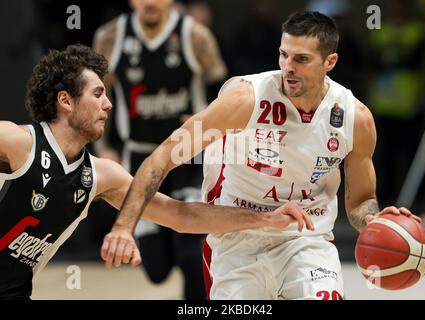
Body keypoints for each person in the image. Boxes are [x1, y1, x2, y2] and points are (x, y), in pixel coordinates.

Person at [104, 11, 422, 300]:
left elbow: (361, 200)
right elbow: (161, 159)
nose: (288, 67)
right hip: (235, 241)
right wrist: (123, 227)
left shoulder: (355, 118)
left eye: (301, 59)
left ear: (330, 62)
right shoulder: (244, 101)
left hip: (306, 242)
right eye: (283, 55)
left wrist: (373, 219)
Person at [0, 43, 315, 300]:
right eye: (97, 94)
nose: (108, 105)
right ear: (65, 101)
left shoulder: (101, 176)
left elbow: (182, 216)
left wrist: (265, 218)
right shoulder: (16, 143)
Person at [92, 0, 227, 299]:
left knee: (192, 254)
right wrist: (104, 146)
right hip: (140, 156)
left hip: (188, 155)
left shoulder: (195, 35)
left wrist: (207, 115)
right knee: (156, 268)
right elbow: (98, 95)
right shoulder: (110, 37)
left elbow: (224, 88)